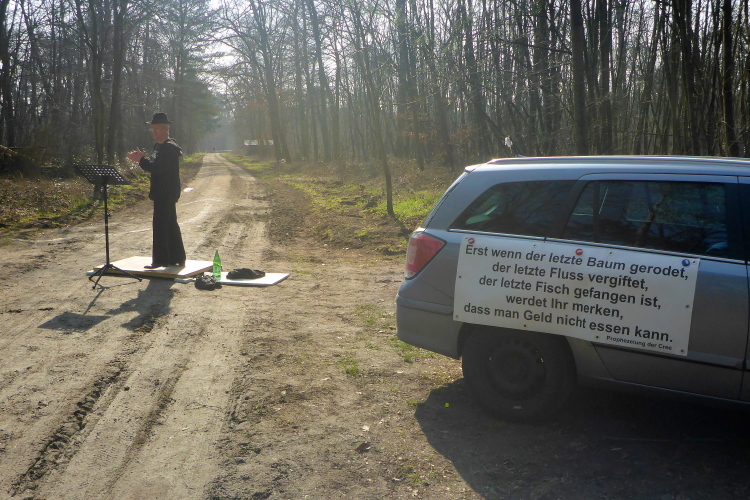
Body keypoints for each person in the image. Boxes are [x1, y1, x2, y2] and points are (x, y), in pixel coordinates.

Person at [127, 112, 186, 268]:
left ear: (166, 129)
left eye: (157, 128)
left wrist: (140, 160)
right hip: (161, 190)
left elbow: (156, 168)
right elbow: (153, 164)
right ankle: (177, 258)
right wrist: (143, 159)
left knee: (161, 225)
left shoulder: (169, 148)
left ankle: (161, 261)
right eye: (152, 128)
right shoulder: (158, 146)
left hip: (166, 191)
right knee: (169, 223)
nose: (154, 132)